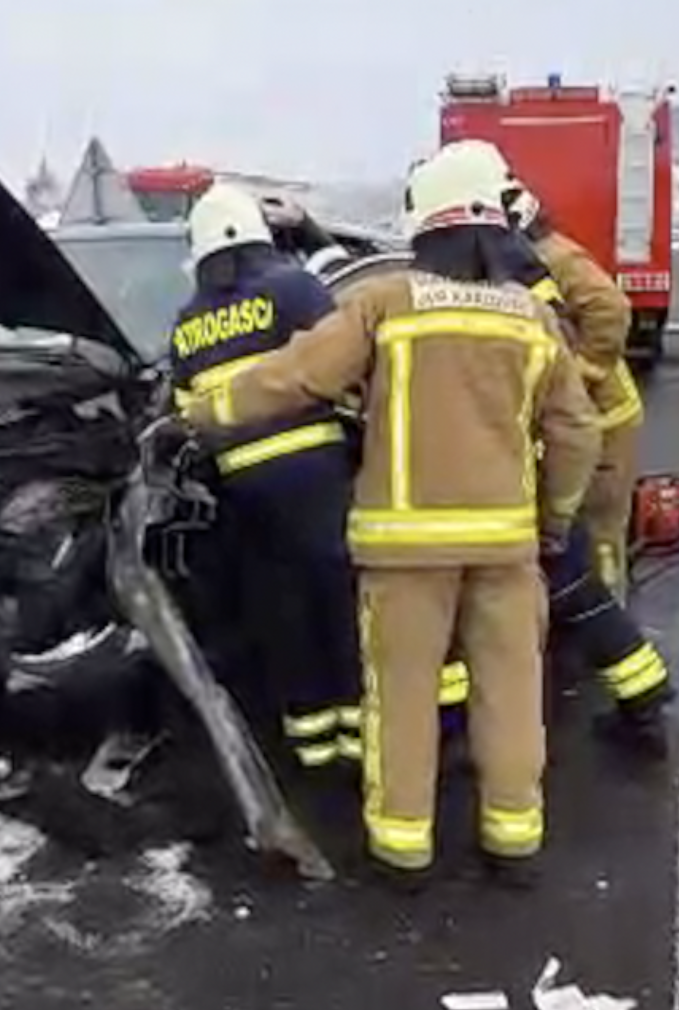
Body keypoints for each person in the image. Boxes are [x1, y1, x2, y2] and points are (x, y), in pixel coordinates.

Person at [178, 142, 599, 886]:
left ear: (423, 226)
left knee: (401, 696)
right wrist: (555, 519)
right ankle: (513, 840)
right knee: (510, 692)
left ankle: (403, 850)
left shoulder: (386, 303)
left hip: (402, 551)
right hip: (505, 546)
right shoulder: (533, 318)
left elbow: (294, 376)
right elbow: (575, 432)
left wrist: (205, 413)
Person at [170, 184, 363, 773]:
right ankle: (359, 741)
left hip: (242, 493)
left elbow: (185, 414)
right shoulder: (295, 288)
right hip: (316, 478)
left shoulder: (187, 323)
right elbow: (347, 364)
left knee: (283, 614)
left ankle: (310, 746)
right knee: (339, 605)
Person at [501, 178, 647, 598]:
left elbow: (611, 308)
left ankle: (609, 629)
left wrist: (577, 376)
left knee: (599, 535)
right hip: (574, 423)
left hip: (603, 421)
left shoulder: (556, 258)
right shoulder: (527, 258)